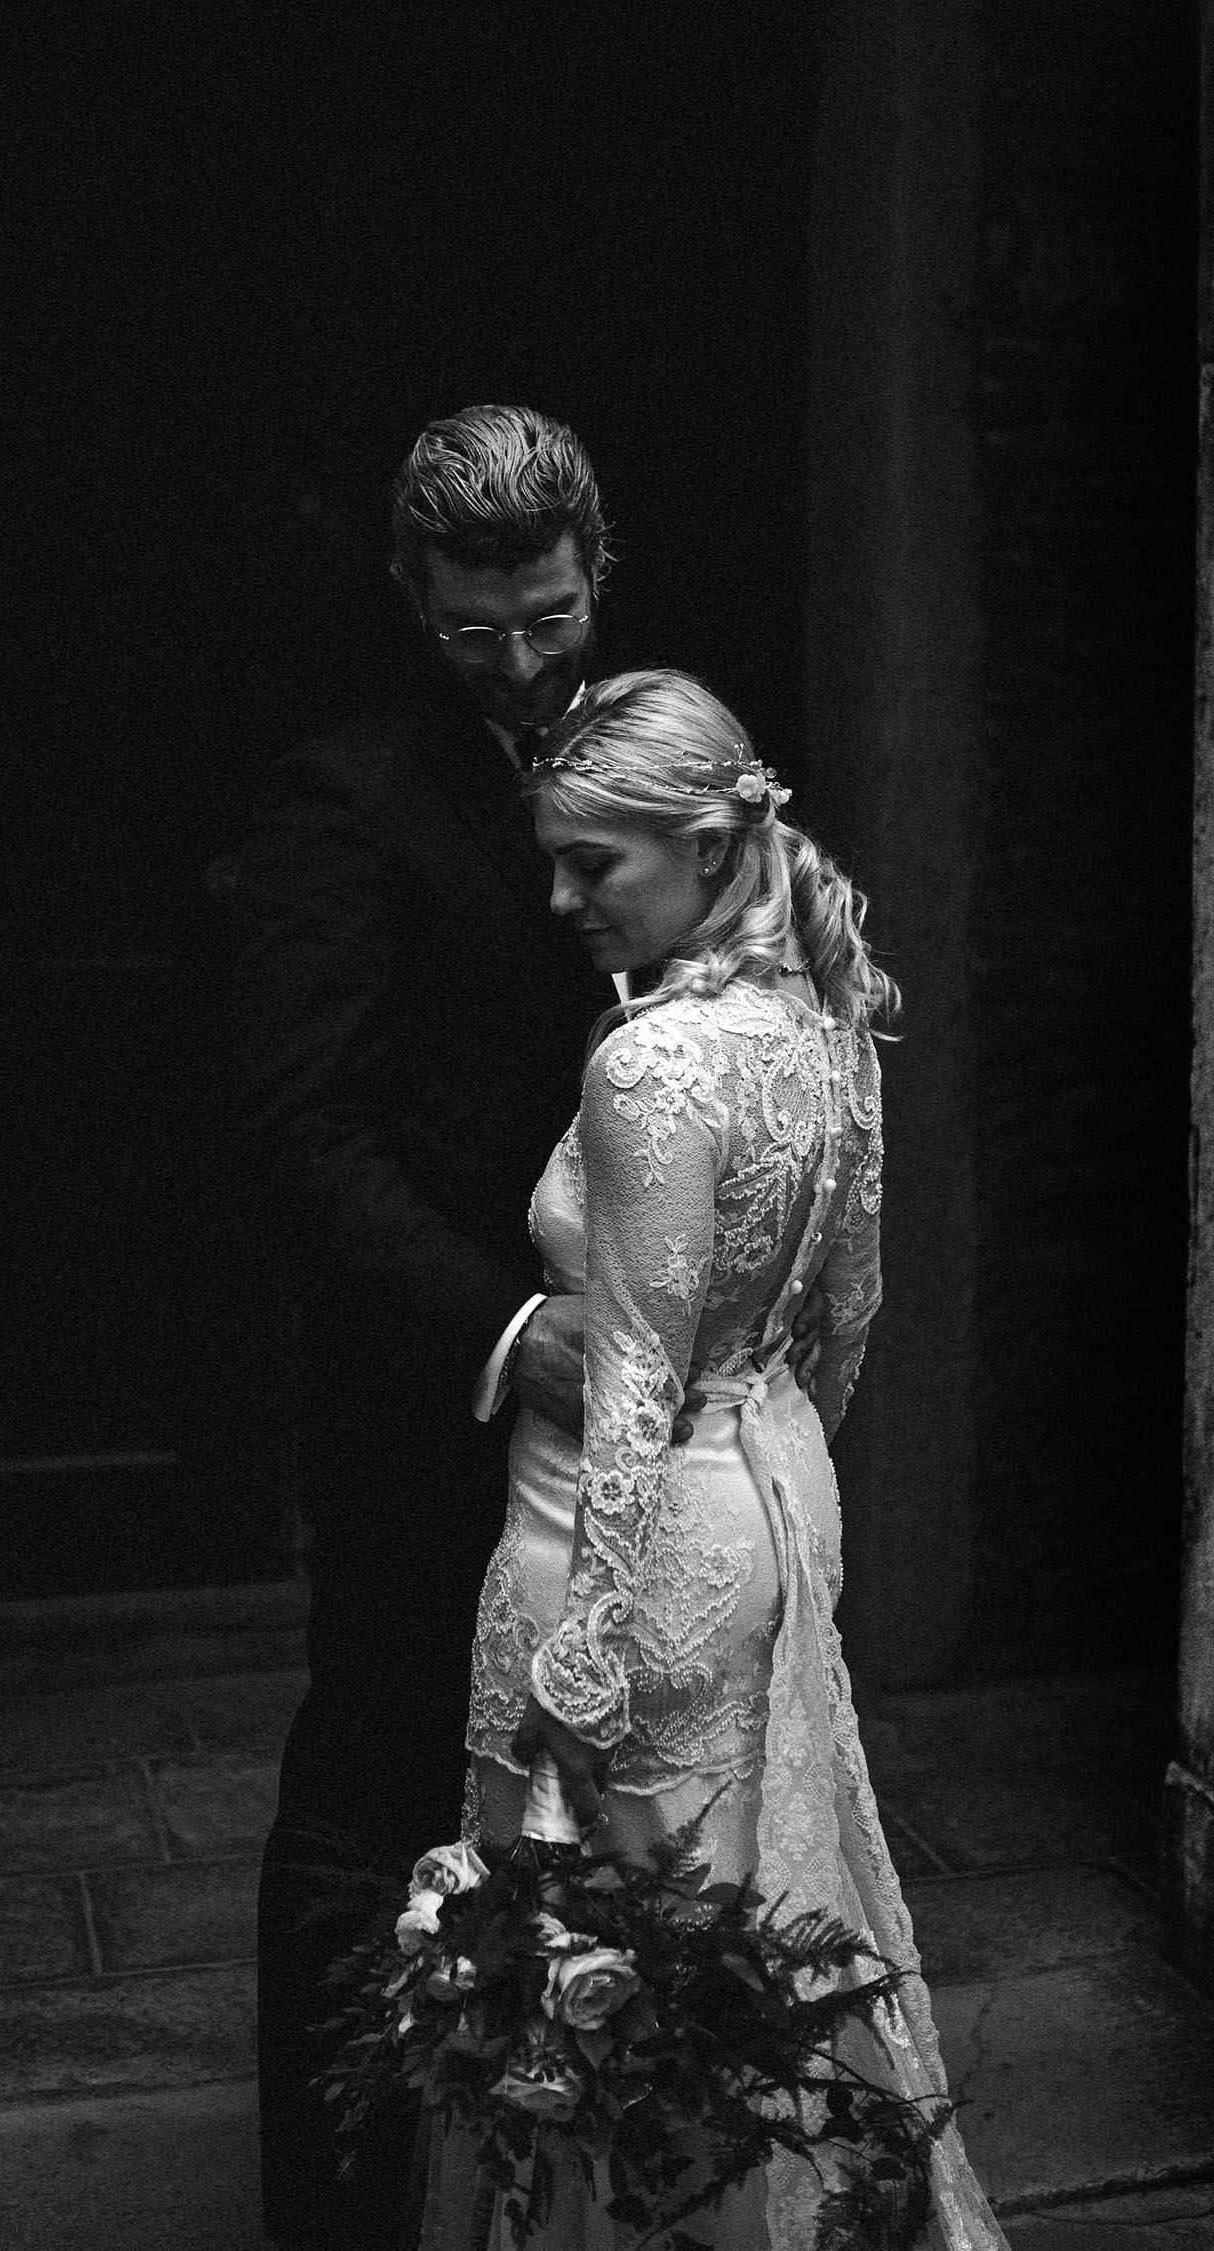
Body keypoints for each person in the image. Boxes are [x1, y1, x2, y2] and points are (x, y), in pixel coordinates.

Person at [212, 410, 829, 2250]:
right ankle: (335, 2213)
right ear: (413, 595)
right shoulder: (344, 796)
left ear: (597, 571)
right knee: (373, 1798)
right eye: (471, 629)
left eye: (549, 618)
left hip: (658, 1420)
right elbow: (302, 1133)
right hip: (439, 1392)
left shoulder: (662, 745)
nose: (517, 662)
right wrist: (505, 1328)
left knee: (615, 1823)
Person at [417, 671, 1008, 2248]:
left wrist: (589, 1646)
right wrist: (772, 1473)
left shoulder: (655, 1063)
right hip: (765, 1494)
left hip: (617, 1535)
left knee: (603, 1962)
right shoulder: (824, 1019)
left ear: (700, 844)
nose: (563, 900)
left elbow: (631, 1374)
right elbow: (850, 1315)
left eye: (589, 864)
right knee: (727, 1931)